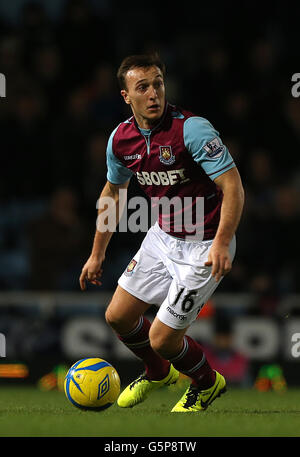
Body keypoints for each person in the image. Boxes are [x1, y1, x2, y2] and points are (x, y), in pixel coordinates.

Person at [79, 53, 244, 412]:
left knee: (162, 338)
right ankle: (158, 374)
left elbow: (232, 186)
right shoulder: (120, 140)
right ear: (126, 96)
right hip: (163, 235)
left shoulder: (192, 129)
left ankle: (206, 382)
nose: (153, 93)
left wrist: (220, 243)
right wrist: (97, 253)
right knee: (117, 316)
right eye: (143, 87)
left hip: (205, 244)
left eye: (158, 84)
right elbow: (113, 193)